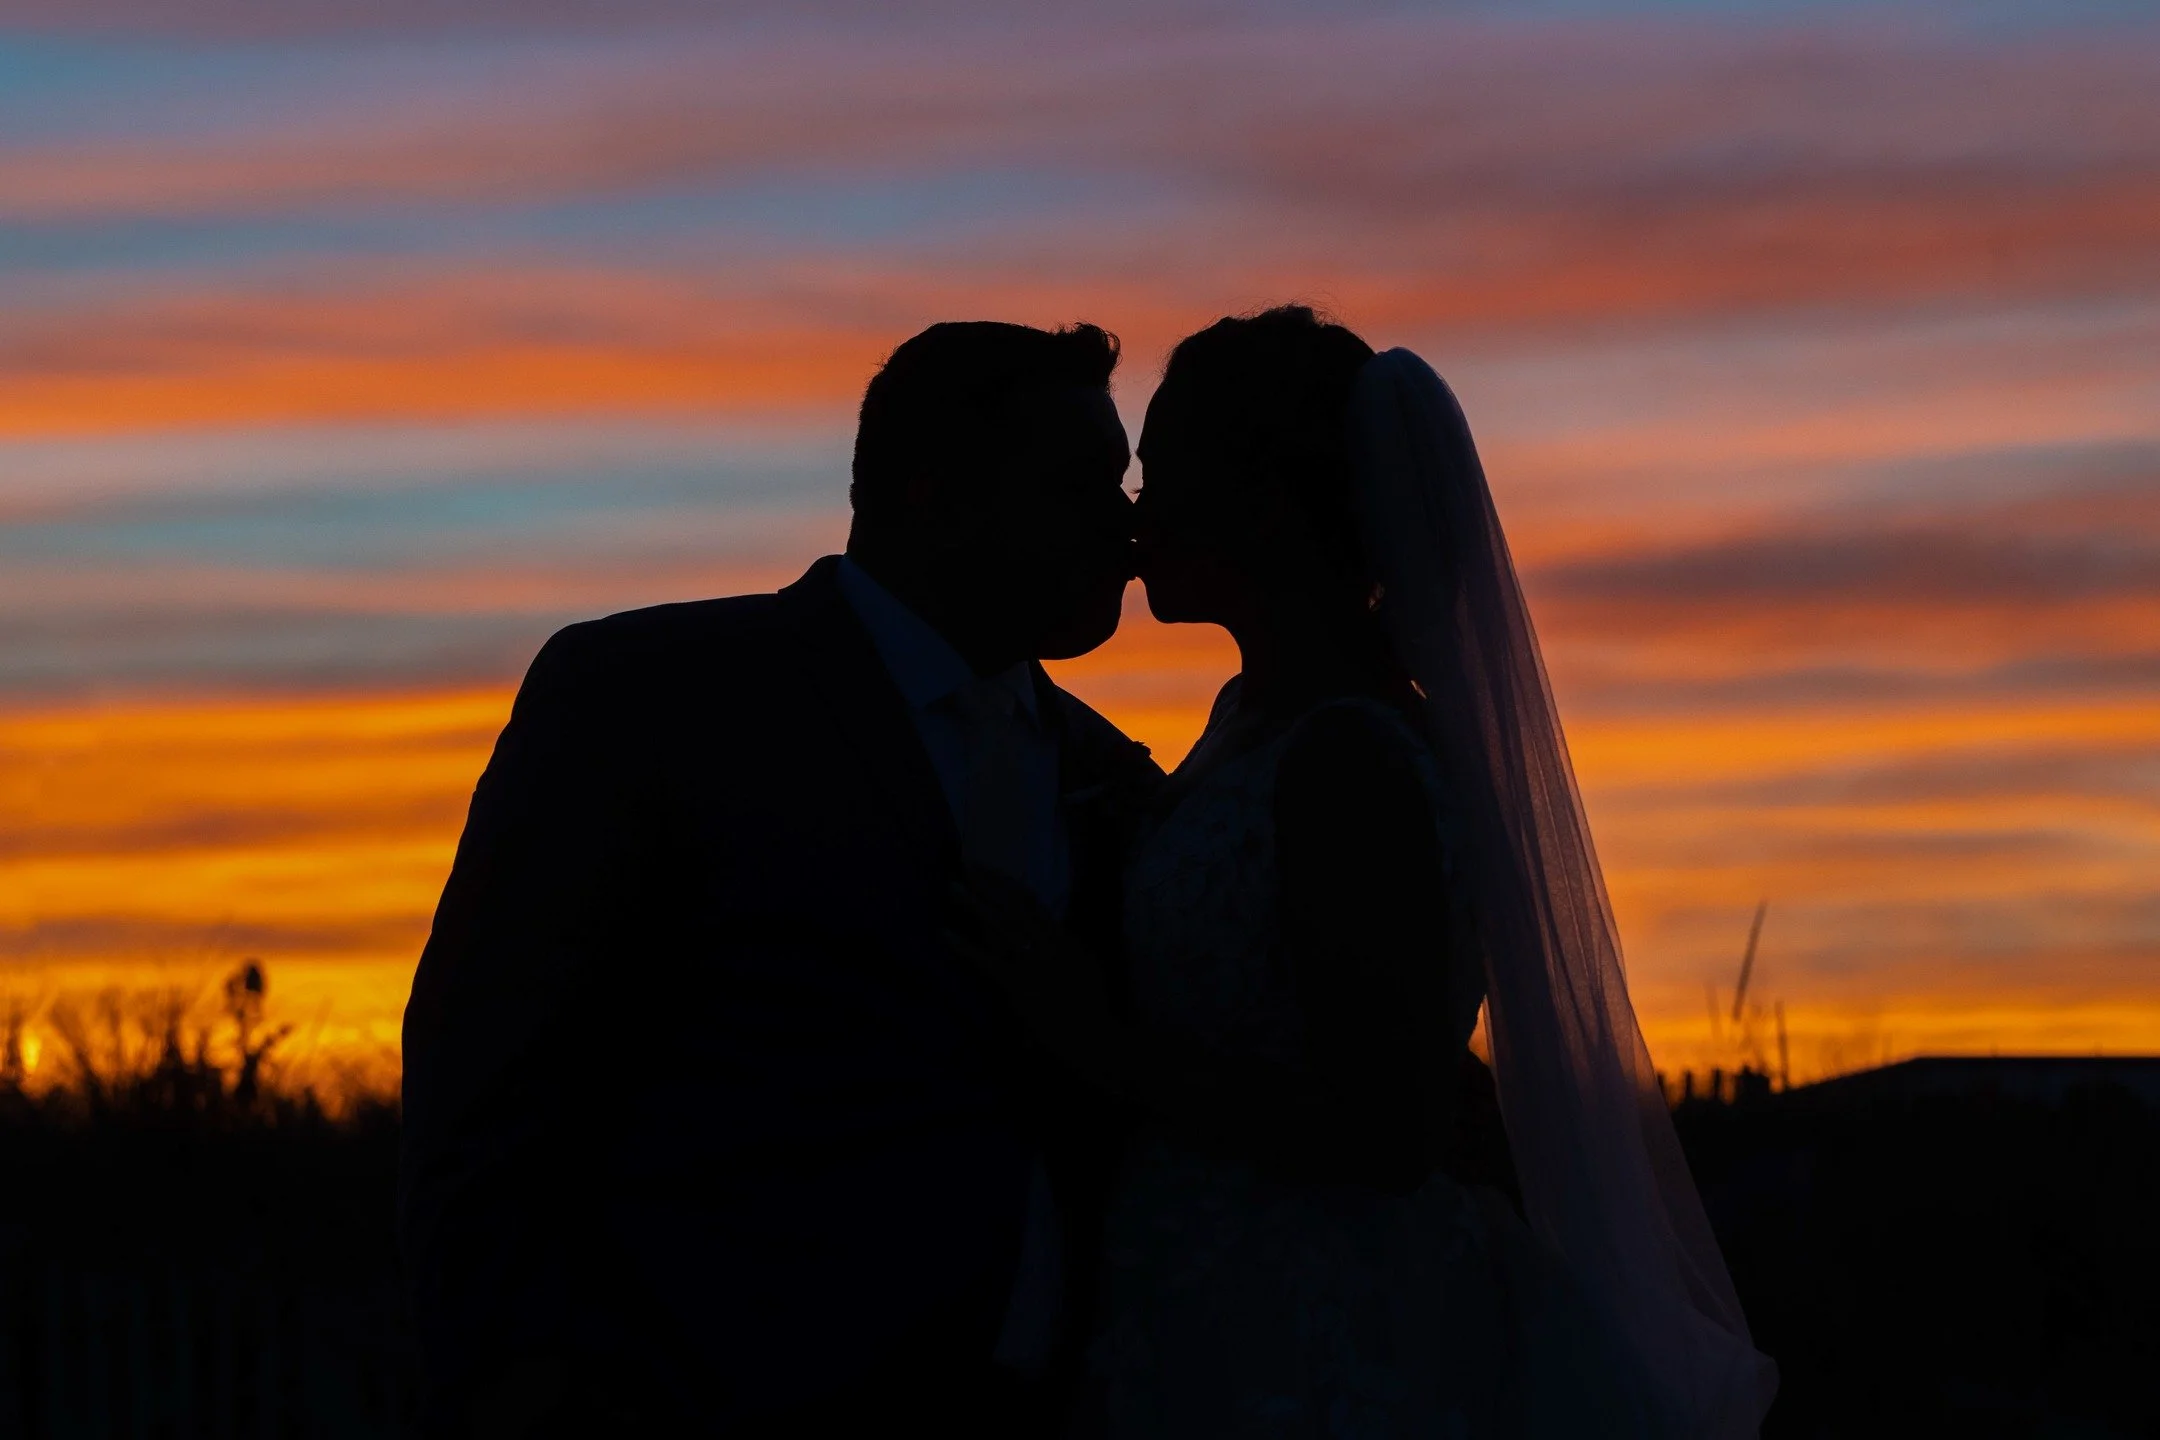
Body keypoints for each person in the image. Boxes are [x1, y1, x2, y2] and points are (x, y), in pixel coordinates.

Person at [952, 307, 1778, 1437]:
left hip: (1319, 1317)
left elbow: (1384, 1128)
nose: (1136, 513)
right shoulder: (1254, 723)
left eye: (1165, 469)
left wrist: (1090, 1039)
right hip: (1212, 1295)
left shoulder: (1352, 756)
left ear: (1266, 507)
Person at [399, 320, 1162, 1437]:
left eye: (1126, 483)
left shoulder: (1115, 778)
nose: (1125, 527)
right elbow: (486, 1069)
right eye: (1077, 485)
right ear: (931, 493)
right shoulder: (648, 698)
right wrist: (512, 1388)